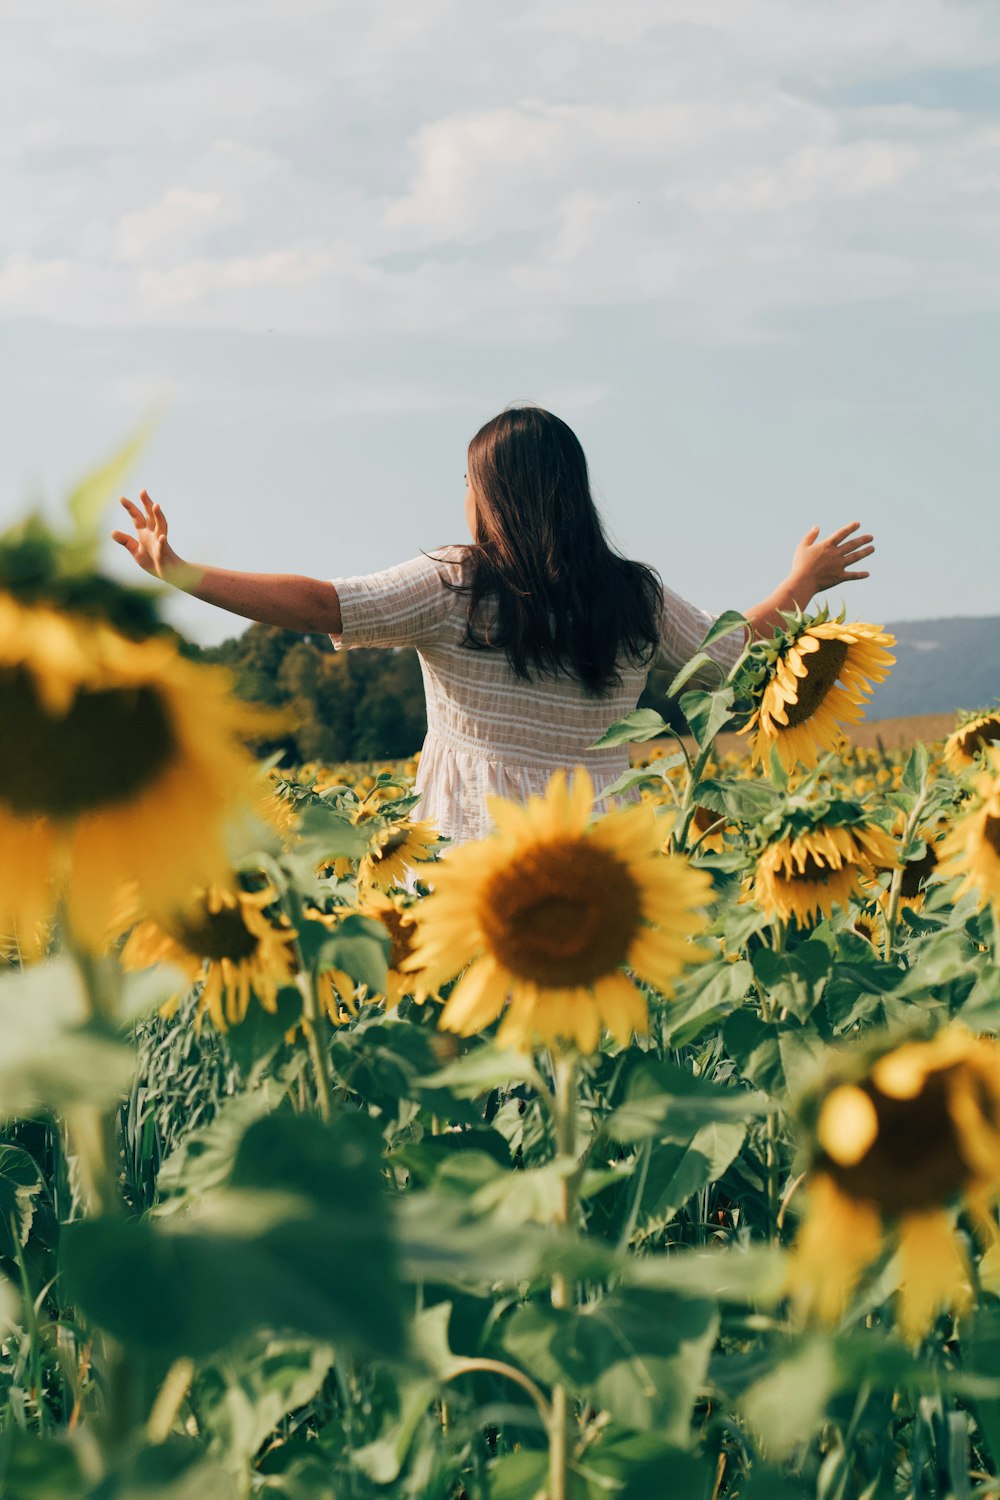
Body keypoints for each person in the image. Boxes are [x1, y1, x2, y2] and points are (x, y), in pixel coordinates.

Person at [113, 405, 874, 843]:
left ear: (493, 494)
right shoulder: (631, 596)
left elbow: (321, 604)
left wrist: (182, 573)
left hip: (472, 842)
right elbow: (731, 656)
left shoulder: (457, 583)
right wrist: (798, 585)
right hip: (600, 849)